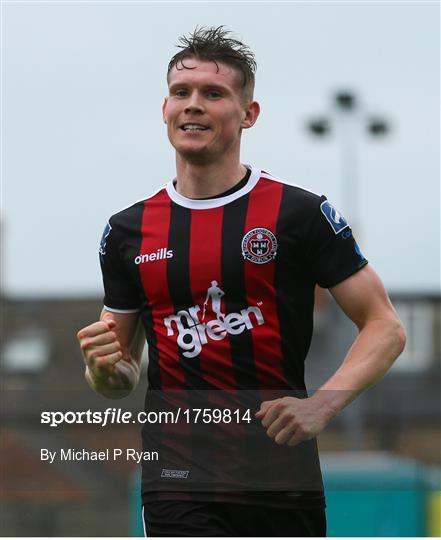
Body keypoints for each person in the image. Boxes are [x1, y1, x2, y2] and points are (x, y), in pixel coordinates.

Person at [77, 26, 406, 537]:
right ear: (164, 110)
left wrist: (323, 403)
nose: (193, 105)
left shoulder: (298, 213)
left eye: (214, 93)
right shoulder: (127, 231)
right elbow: (120, 377)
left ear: (248, 114)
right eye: (181, 94)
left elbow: (385, 326)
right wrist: (102, 371)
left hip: (281, 476)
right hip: (177, 475)